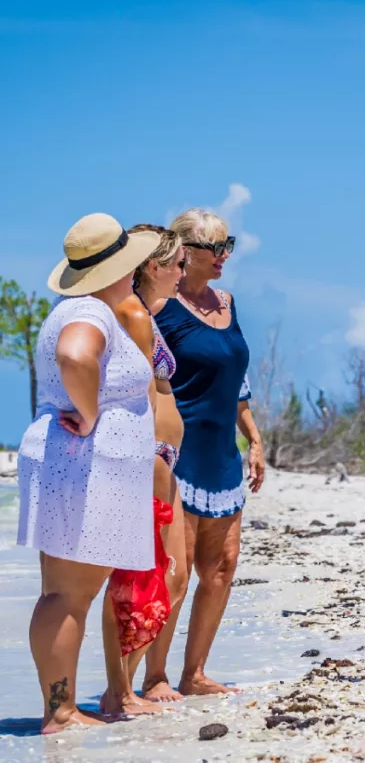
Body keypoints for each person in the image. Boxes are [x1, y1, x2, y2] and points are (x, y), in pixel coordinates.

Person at [16, 214, 160, 733]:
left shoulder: (74, 307)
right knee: (70, 594)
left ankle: (60, 706)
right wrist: (93, 411)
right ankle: (61, 710)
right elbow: (75, 356)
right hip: (88, 467)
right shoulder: (91, 314)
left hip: (71, 464)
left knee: (62, 592)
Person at [152, 208, 265, 696]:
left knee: (222, 567)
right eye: (213, 247)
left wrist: (255, 438)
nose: (223, 256)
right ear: (183, 252)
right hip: (180, 453)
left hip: (222, 452)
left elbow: (234, 380)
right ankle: (151, 678)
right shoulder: (158, 307)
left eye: (228, 245)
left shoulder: (229, 302)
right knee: (177, 569)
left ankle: (193, 674)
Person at [100, 225, 190, 713]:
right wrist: (150, 455)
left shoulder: (146, 316)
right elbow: (132, 392)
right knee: (139, 578)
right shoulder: (131, 314)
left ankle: (125, 686)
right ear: (153, 267)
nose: (183, 272)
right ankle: (120, 690)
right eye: (177, 263)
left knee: (172, 577)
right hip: (149, 455)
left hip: (162, 458)